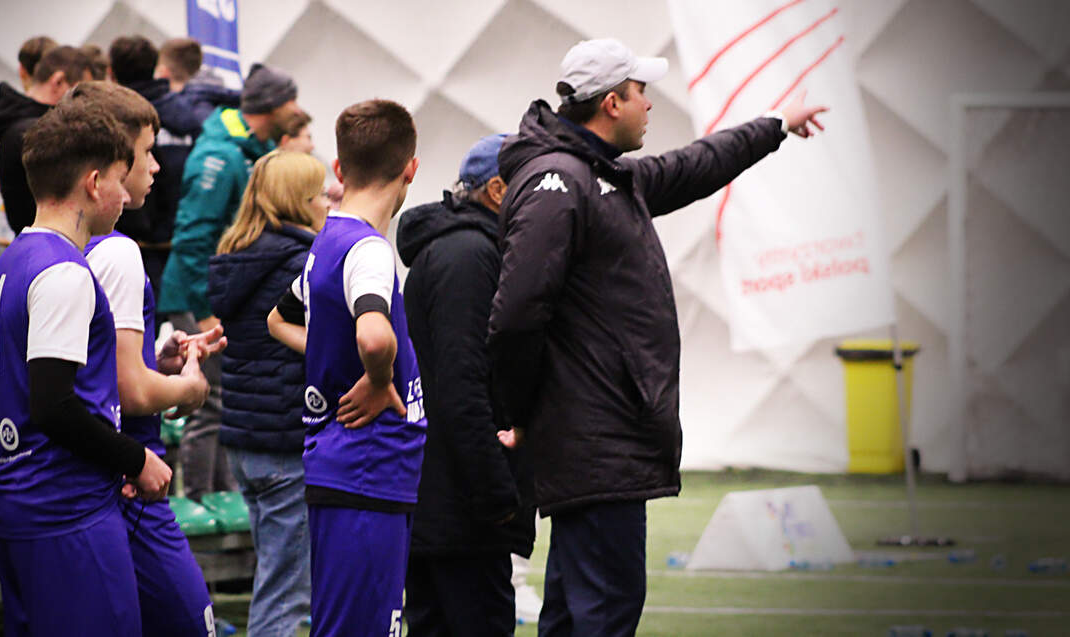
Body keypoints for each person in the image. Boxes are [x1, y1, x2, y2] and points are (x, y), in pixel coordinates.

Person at [487, 38, 827, 635]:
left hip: (598, 441)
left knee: (574, 612)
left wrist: (774, 125)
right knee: (605, 611)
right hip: (596, 441)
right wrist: (510, 410)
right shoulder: (561, 182)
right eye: (641, 92)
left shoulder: (600, 175)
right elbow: (517, 312)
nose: (650, 105)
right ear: (612, 103)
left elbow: (695, 165)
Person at [0, 96, 173, 636]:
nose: (125, 192)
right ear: (93, 183)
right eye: (118, 177)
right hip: (65, 511)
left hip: (23, 505)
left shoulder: (14, 258)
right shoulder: (62, 271)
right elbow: (53, 406)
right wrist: (136, 458)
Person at [267, 99, 426, 636]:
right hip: (367, 470)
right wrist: (379, 380)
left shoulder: (327, 242)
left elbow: (278, 320)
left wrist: (332, 358)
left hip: (353, 470)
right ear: (411, 169)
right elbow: (375, 336)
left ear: (339, 168)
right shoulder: (368, 251)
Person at [72, 81, 223, 637]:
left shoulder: (52, 245)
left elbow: (95, 368)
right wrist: (191, 387)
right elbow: (130, 392)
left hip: (96, 478)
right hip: (127, 480)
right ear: (110, 163)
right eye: (146, 152)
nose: (157, 166)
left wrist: (156, 358)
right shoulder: (116, 251)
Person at [395, 133, 536, 636]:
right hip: (460, 509)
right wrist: (498, 493)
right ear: (497, 191)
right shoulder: (470, 256)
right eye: (529, 188)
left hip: (446, 502)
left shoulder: (459, 249)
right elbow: (462, 387)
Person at [164, 62, 302, 500]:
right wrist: (205, 311)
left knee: (223, 400)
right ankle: (198, 503)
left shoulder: (250, 148)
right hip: (198, 295)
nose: (298, 110)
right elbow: (191, 241)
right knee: (210, 400)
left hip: (218, 293)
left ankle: (226, 498)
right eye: (292, 101)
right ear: (273, 105)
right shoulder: (221, 157)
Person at [208, 151, 328, 637]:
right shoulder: (300, 263)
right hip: (285, 443)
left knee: (275, 582)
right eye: (318, 194)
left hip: (247, 441)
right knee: (284, 596)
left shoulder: (237, 256)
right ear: (297, 201)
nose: (327, 202)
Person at [109, 35, 238, 294]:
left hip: (136, 243)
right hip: (183, 245)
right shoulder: (192, 116)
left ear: (111, 72)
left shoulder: (114, 120)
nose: (153, 165)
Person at [0, 45, 93, 235]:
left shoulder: (20, 126)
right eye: (79, 94)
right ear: (58, 81)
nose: (84, 105)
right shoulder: (37, 132)